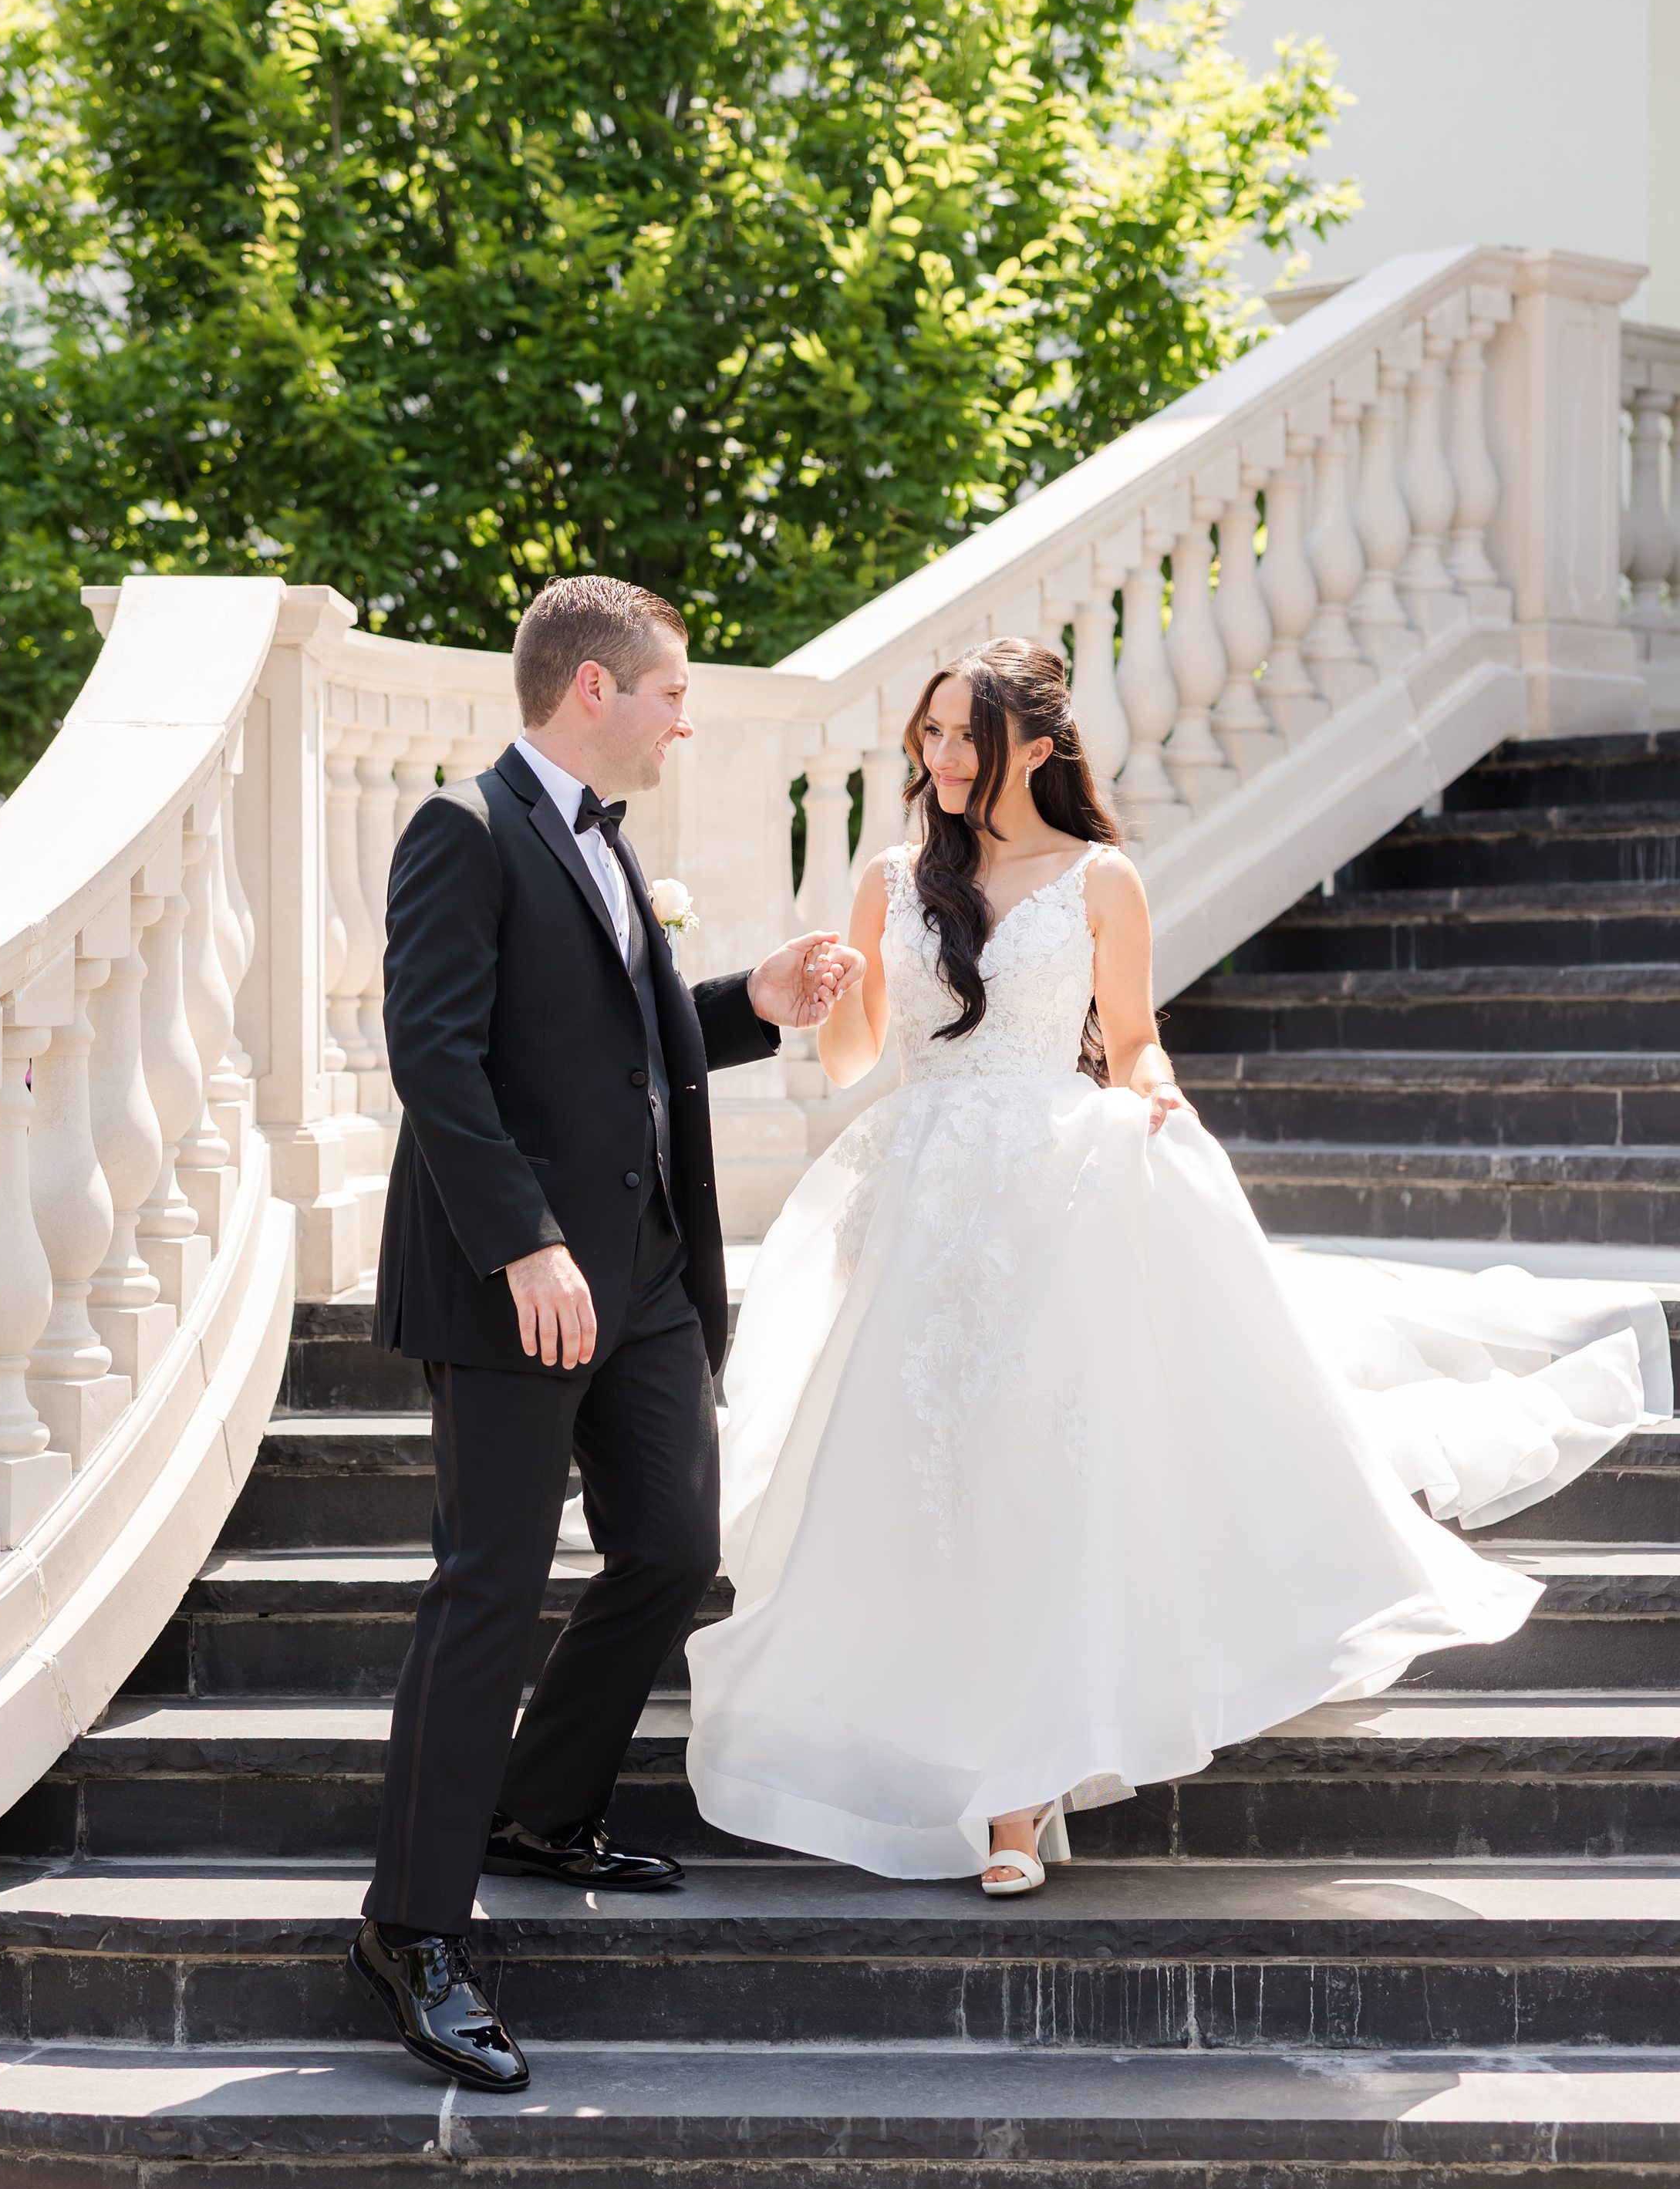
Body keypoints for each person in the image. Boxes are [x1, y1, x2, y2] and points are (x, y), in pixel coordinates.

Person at [685, 637, 1666, 1891]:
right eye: (926, 736)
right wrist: (829, 992)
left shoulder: (1102, 879)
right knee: (923, 1480)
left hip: (1052, 1199)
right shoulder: (890, 879)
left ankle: (1015, 1799)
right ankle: (932, 1744)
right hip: (921, 1210)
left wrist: (1157, 1104)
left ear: (1035, 751)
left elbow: (1136, 1042)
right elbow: (854, 1063)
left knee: (1036, 1479)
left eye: (963, 740)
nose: (936, 760)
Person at [353, 575, 861, 2086]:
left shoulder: (612, 848)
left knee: (669, 1545)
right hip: (518, 1283)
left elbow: (621, 1052)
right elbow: (434, 1056)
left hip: (640, 1284)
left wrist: (750, 1003)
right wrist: (522, 1244)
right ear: (592, 690)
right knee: (488, 1589)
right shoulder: (463, 830)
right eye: (673, 694)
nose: (685, 719)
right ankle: (413, 1927)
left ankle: (541, 1801)